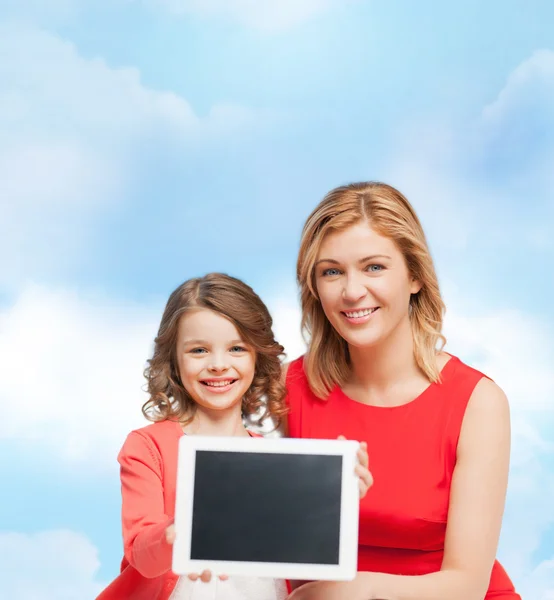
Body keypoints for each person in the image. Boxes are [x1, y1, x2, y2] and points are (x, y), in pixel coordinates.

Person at [284, 182, 521, 600]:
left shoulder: (477, 403)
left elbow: (466, 584)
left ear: (414, 276)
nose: (352, 291)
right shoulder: (287, 391)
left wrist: (348, 591)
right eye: (332, 271)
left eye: (374, 267)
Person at [97, 272, 371, 600]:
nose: (218, 364)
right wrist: (175, 534)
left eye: (236, 348)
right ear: (174, 360)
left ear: (258, 356)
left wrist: (334, 498)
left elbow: (303, 555)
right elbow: (141, 553)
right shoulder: (148, 446)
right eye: (198, 350)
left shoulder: (277, 462)